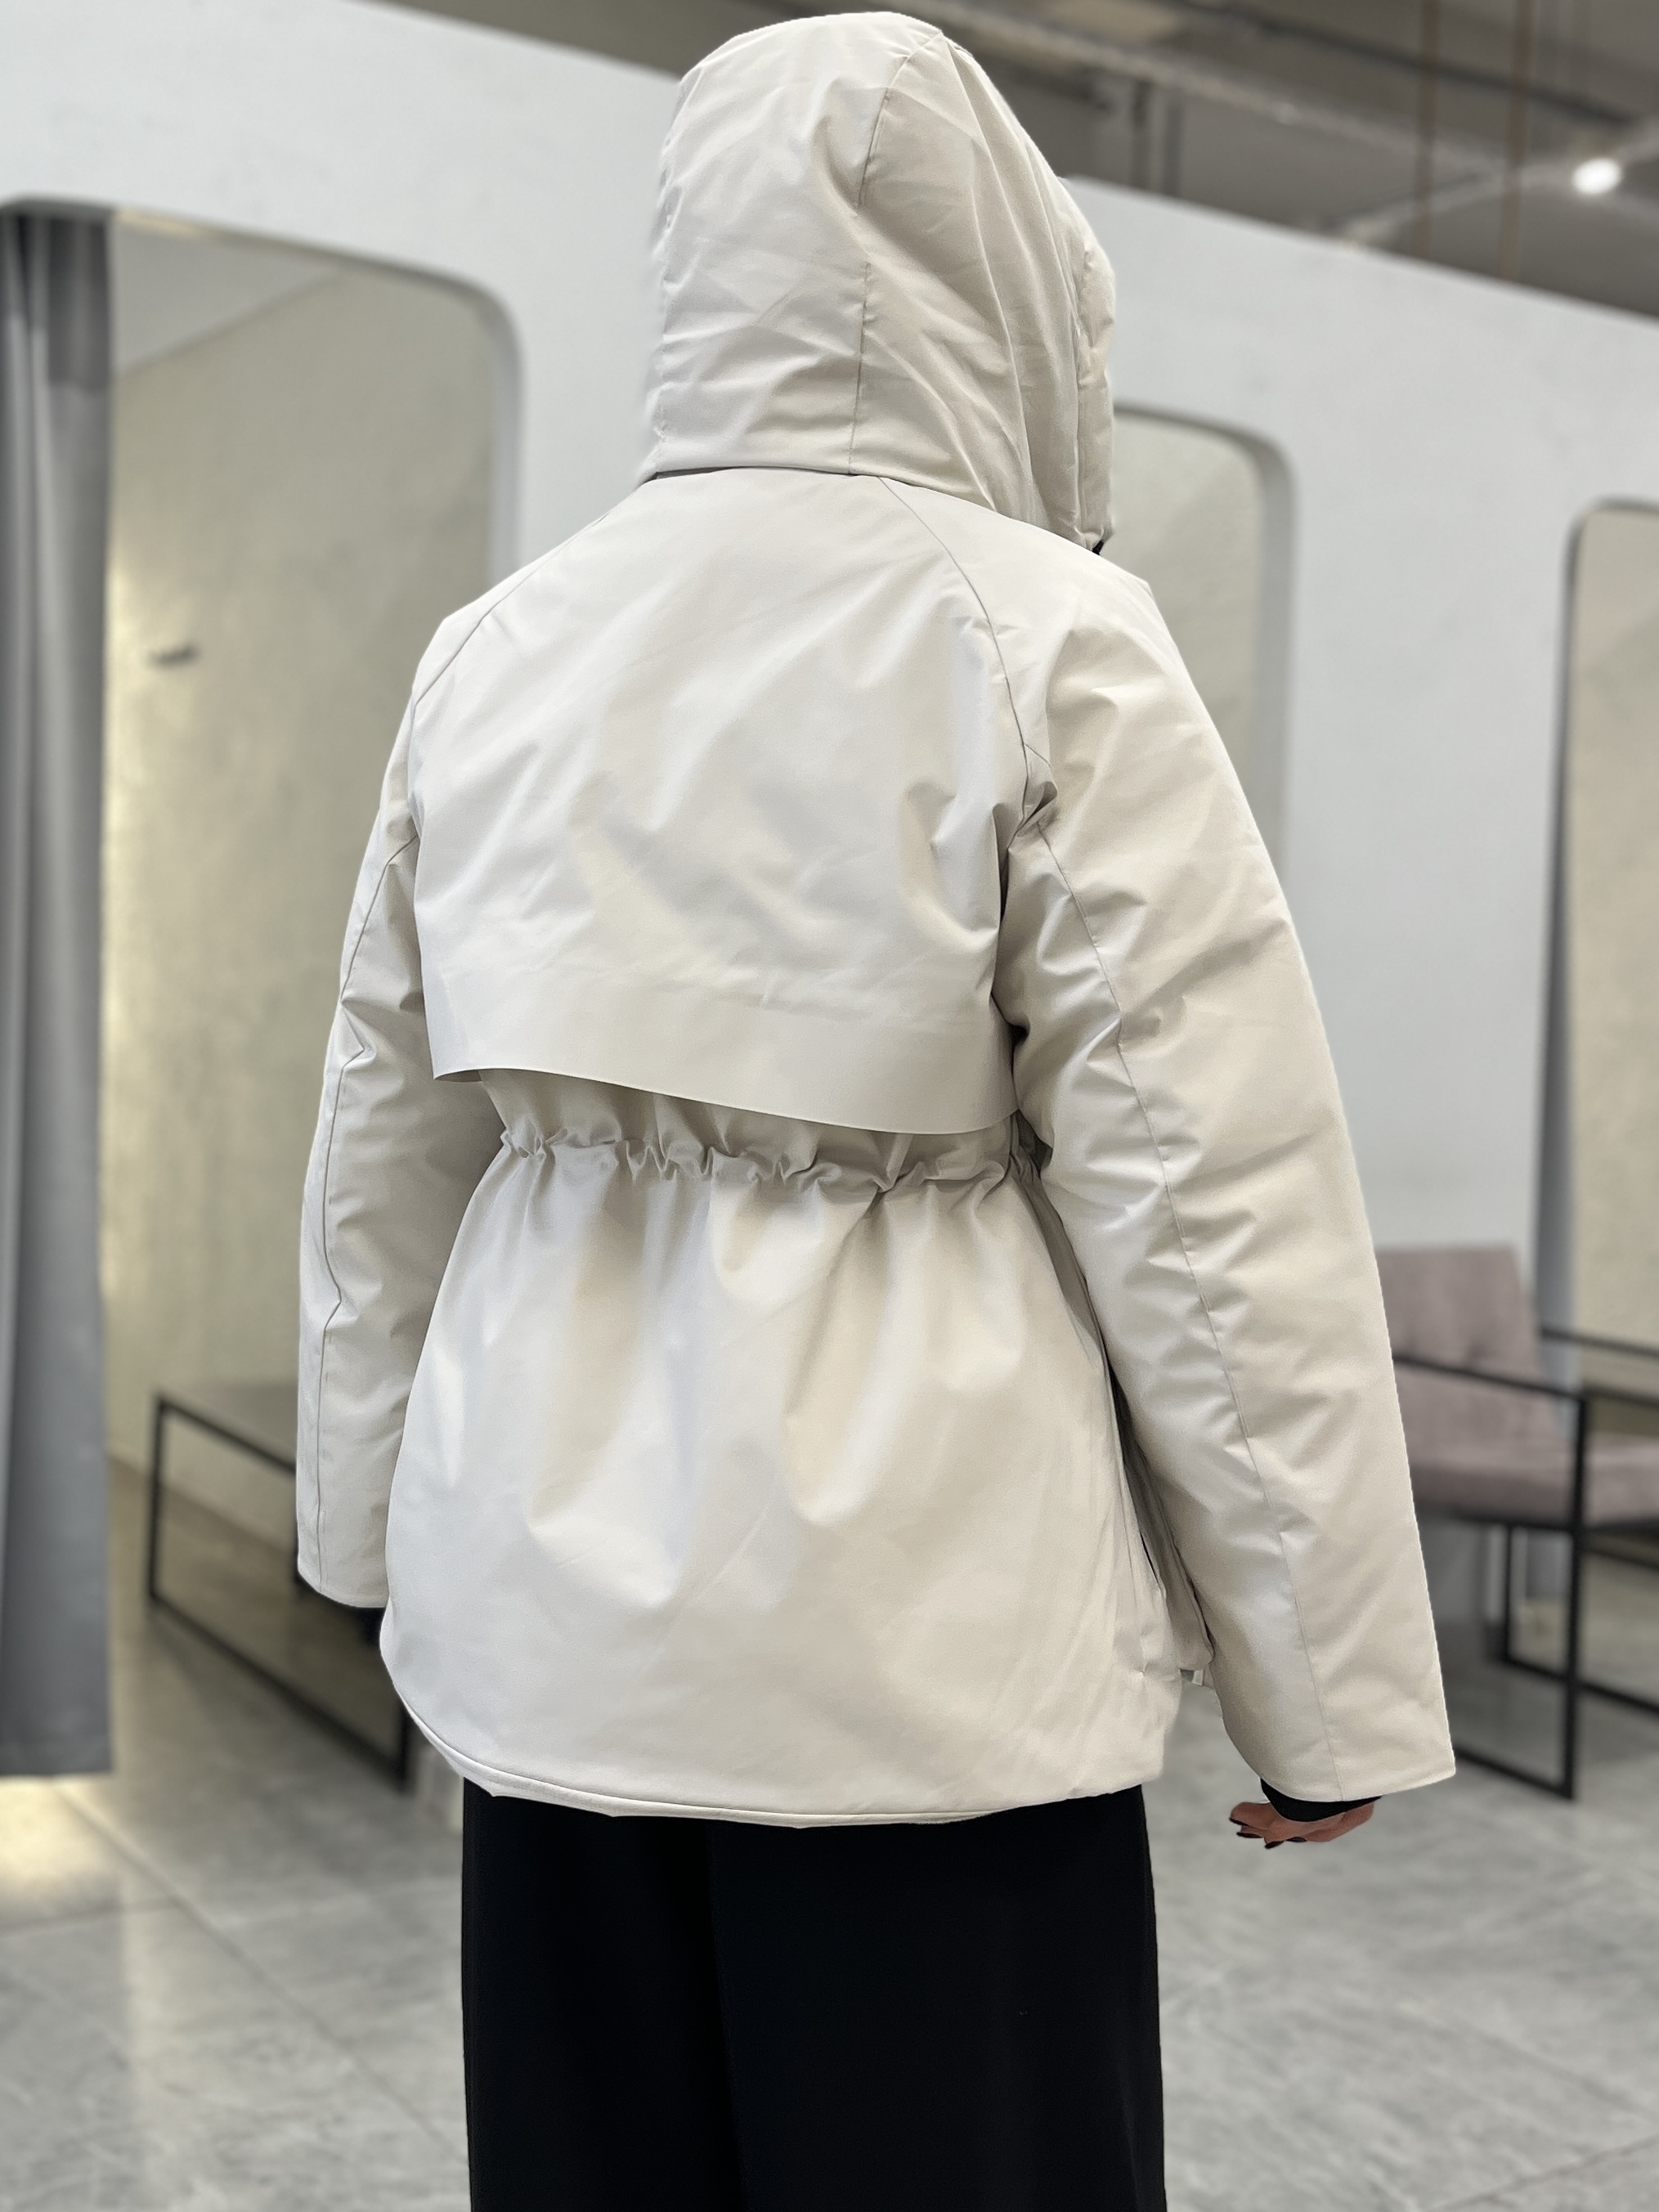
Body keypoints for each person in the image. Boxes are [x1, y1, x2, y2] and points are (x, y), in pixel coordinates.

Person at [297, 12, 1453, 2207]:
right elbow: (1212, 1210)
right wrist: (1330, 1687)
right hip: (934, 1669)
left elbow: (386, 1150)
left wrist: (364, 1539)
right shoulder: (1047, 638)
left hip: (554, 1652)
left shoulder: (497, 650)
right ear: (1006, 271)